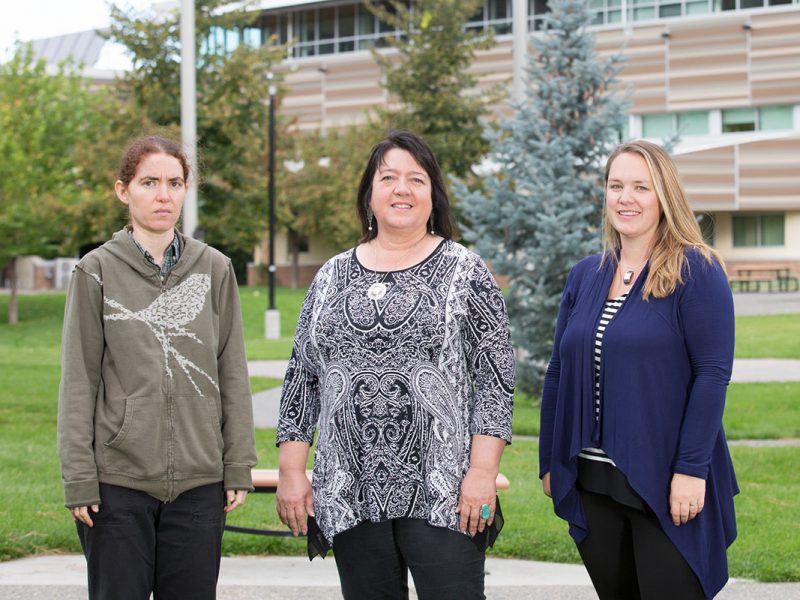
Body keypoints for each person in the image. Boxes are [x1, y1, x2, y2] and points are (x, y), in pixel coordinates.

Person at [275, 130, 515, 600]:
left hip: (444, 488)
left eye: (416, 179)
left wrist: (483, 475)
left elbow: (495, 380)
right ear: (369, 194)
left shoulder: (465, 271)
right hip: (349, 487)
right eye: (388, 177)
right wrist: (291, 473)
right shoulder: (330, 276)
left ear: (433, 197)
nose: (401, 189)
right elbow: (302, 379)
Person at [58, 135, 257, 600]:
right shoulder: (96, 271)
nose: (163, 194)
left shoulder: (215, 269)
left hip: (200, 483)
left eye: (174, 182)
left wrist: (238, 464)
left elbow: (233, 371)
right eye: (149, 182)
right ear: (123, 190)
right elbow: (78, 382)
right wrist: (79, 477)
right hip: (118, 485)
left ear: (187, 190)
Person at [539, 140, 738, 599]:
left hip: (665, 479)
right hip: (592, 481)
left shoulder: (696, 270)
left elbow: (712, 374)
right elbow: (557, 373)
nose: (625, 198)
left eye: (640, 187)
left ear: (664, 196)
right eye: (616, 186)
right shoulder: (586, 274)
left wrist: (692, 470)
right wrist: (551, 460)